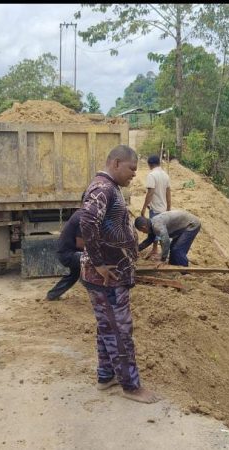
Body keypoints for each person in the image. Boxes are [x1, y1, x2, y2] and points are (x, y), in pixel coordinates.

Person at [79, 144, 160, 404]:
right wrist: (99, 262)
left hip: (106, 276)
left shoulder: (107, 187)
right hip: (107, 278)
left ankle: (106, 376)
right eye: (132, 169)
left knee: (107, 326)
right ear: (115, 163)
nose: (134, 174)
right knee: (120, 330)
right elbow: (88, 221)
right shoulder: (103, 188)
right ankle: (130, 386)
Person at [134, 210, 201, 267]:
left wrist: (162, 260)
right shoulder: (151, 224)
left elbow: (166, 242)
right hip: (183, 225)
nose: (143, 232)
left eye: (142, 231)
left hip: (192, 225)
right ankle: (173, 266)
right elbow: (149, 240)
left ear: (144, 227)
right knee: (173, 247)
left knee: (177, 250)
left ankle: (185, 271)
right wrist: (136, 249)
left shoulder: (157, 226)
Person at [45, 208, 84, 301]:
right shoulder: (83, 217)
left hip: (67, 252)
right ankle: (102, 296)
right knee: (94, 262)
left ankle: (52, 295)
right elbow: (80, 244)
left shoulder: (80, 213)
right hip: (69, 255)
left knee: (74, 274)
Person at [139, 155, 171, 260]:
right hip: (163, 207)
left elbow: (150, 193)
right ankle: (159, 250)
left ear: (150, 164)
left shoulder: (152, 175)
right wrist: (168, 208)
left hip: (155, 208)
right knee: (162, 229)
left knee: (154, 229)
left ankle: (155, 250)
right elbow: (168, 193)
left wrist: (144, 207)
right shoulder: (165, 175)